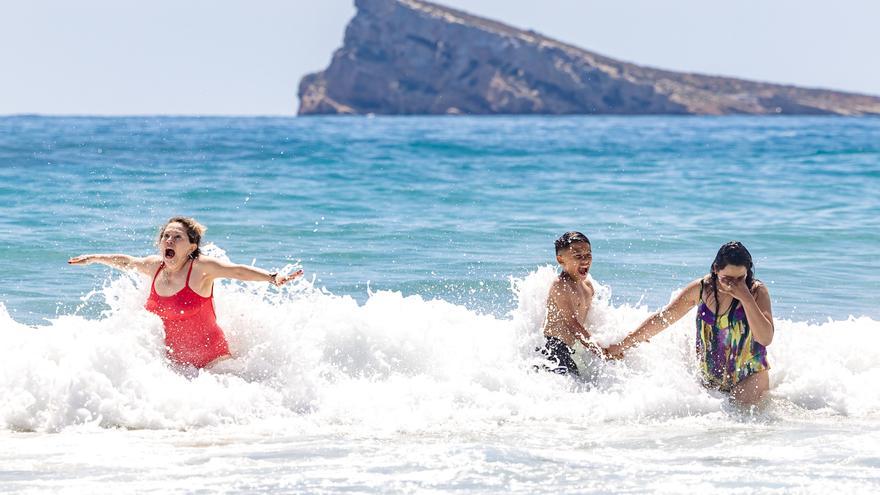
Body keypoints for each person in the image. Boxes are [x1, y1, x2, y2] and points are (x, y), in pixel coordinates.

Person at [68, 216, 302, 369]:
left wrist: (272, 278)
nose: (169, 240)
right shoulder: (155, 267)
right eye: (165, 236)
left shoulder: (201, 269)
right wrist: (95, 258)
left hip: (215, 364)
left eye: (177, 237)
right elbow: (128, 262)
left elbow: (237, 271)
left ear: (191, 246)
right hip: (174, 368)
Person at [605, 241, 774, 405]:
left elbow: (765, 338)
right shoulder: (702, 288)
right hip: (711, 378)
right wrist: (622, 345)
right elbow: (664, 319)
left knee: (741, 422)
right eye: (728, 279)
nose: (734, 285)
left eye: (740, 279)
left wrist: (746, 298)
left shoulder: (756, 291)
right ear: (716, 270)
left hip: (750, 375)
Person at [537, 231, 604, 377]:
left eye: (588, 255)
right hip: (552, 348)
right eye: (578, 256)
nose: (585, 260)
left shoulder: (588, 286)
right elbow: (572, 324)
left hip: (568, 350)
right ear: (561, 260)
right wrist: (599, 349)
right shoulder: (560, 285)